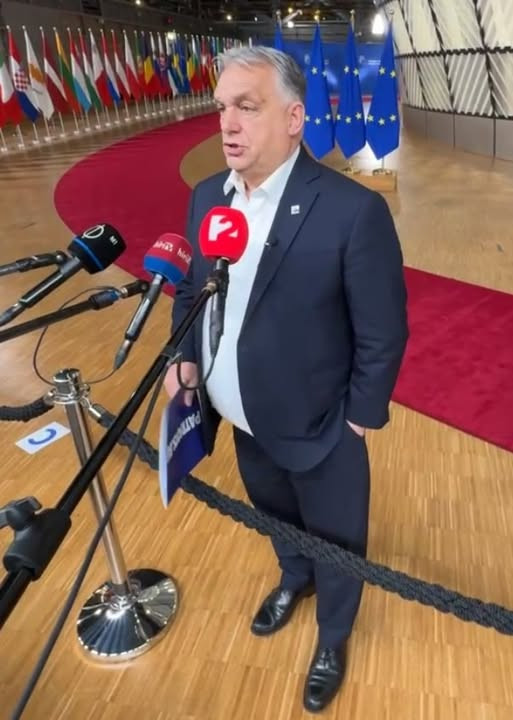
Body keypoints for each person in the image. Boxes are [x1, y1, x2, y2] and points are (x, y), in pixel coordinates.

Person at [165, 46, 409, 713]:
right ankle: (292, 577)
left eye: (247, 107)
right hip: (242, 416)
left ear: (294, 118)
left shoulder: (351, 211)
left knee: (338, 540)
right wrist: (182, 356)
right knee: (275, 515)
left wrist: (358, 418)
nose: (227, 123)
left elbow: (383, 330)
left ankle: (333, 634)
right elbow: (190, 292)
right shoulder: (206, 198)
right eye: (222, 107)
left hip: (322, 427)